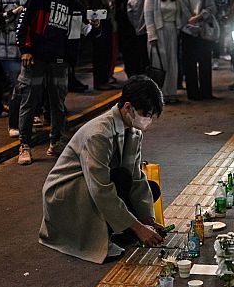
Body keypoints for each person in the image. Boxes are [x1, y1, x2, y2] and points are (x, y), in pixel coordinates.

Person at [39, 75, 165, 263]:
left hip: (93, 185)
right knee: (120, 179)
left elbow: (137, 178)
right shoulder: (99, 133)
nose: (148, 120)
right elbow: (101, 189)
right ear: (128, 107)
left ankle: (120, 227)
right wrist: (137, 227)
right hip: (67, 193)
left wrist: (147, 220)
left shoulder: (133, 131)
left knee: (148, 187)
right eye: (146, 114)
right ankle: (103, 233)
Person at [15, 0, 99, 165]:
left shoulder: (75, 5)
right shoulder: (39, 0)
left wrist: (95, 26)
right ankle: (24, 145)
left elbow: (84, 31)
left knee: (58, 103)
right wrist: (26, 50)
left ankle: (56, 142)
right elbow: (23, 23)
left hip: (60, 60)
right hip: (36, 58)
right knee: (29, 102)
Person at [0, 0, 27, 137]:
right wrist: (12, 12)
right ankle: (14, 124)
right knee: (18, 86)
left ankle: (25, 124)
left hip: (27, 49)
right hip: (7, 50)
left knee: (29, 88)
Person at [144, 0, 182, 103]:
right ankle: (159, 94)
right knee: (159, 64)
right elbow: (148, 15)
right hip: (158, 31)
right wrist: (152, 36)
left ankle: (171, 93)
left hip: (172, 31)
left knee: (172, 63)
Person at [179, 0, 217, 100]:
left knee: (205, 61)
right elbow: (182, 10)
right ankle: (193, 93)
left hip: (203, 30)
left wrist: (198, 17)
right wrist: (190, 21)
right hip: (187, 30)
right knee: (189, 63)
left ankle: (206, 92)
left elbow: (212, 8)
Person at [116, 0, 149, 77]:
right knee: (137, 54)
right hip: (133, 28)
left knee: (132, 54)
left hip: (130, 27)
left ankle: (133, 74)